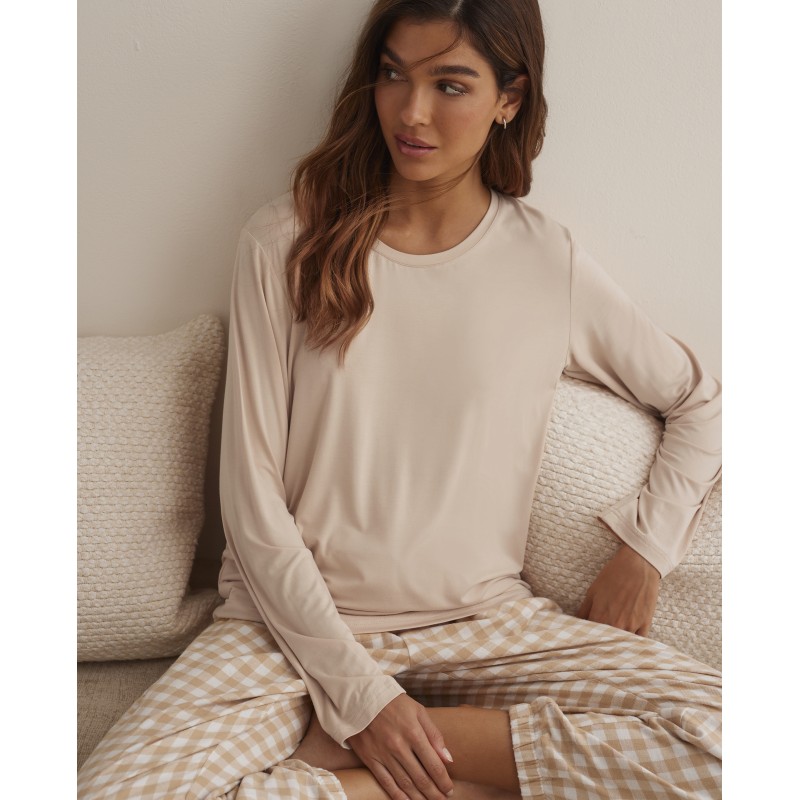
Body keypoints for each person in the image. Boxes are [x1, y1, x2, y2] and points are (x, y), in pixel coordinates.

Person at [78, 1, 722, 798]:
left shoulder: (543, 263)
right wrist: (359, 695)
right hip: (283, 637)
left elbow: (700, 402)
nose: (411, 113)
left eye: (450, 84)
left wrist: (645, 552)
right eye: (393, 75)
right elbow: (251, 499)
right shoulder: (285, 242)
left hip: (485, 631)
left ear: (509, 98)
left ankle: (398, 760)